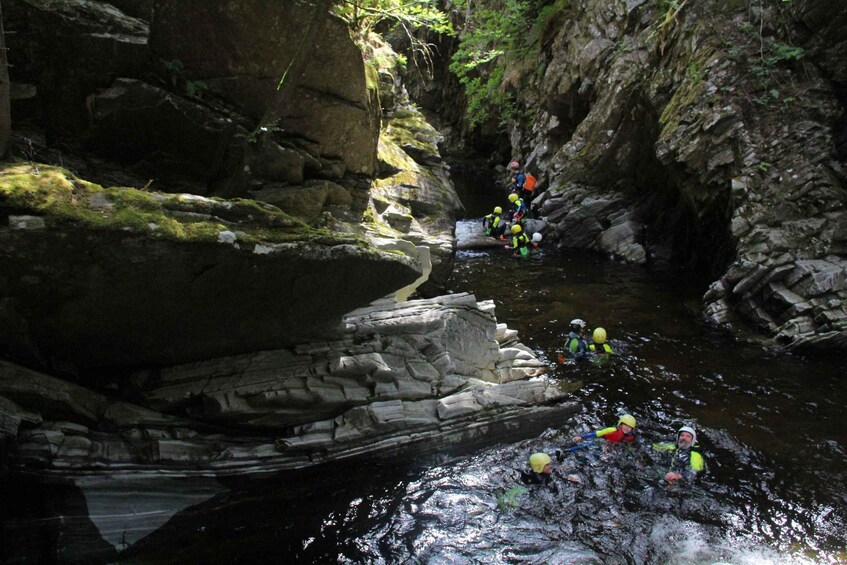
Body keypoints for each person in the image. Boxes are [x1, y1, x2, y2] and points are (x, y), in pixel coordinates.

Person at [572, 414, 637, 445]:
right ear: (620, 424)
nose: (627, 428)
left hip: (614, 444)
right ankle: (566, 451)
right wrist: (581, 437)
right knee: (589, 444)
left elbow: (629, 444)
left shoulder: (631, 436)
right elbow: (596, 434)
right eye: (625, 425)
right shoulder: (612, 430)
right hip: (603, 440)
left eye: (630, 427)